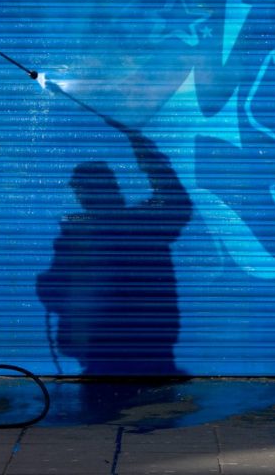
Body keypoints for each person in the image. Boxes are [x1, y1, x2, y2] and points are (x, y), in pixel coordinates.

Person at [36, 127, 192, 376]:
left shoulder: (133, 223)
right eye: (79, 189)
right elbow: (176, 202)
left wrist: (149, 156)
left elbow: (55, 291)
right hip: (128, 347)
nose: (80, 195)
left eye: (83, 188)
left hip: (126, 349)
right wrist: (150, 157)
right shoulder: (139, 222)